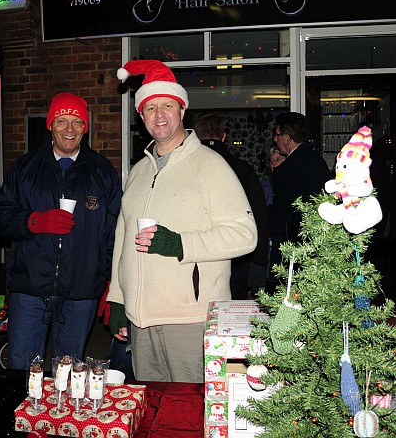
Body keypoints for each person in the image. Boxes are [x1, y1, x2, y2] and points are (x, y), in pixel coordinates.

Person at [109, 60, 257, 383]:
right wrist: (118, 300)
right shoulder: (138, 172)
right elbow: (122, 240)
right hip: (141, 321)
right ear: (141, 116)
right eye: (150, 108)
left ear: (181, 110)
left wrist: (179, 244)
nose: (159, 115)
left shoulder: (210, 165)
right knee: (154, 413)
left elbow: (246, 234)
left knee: (192, 414)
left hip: (190, 320)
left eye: (167, 106)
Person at [0, 92, 122, 370]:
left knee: (69, 368)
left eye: (77, 122)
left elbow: (114, 232)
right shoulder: (25, 168)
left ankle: (62, 414)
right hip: (30, 287)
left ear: (86, 127)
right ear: (50, 124)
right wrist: (34, 222)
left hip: (82, 289)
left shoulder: (102, 171)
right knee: (22, 367)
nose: (70, 129)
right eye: (62, 121)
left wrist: (112, 282)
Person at [193, 112, 270, 299]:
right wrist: (259, 261)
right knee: (232, 316)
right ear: (224, 136)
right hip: (236, 255)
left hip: (195, 253)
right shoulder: (243, 169)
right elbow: (258, 216)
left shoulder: (185, 168)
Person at [267, 112, 330, 280]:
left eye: (278, 135)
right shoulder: (313, 159)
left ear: (287, 138)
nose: (275, 139)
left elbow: (285, 210)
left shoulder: (293, 165)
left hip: (295, 243)